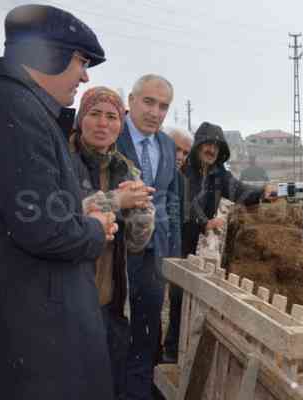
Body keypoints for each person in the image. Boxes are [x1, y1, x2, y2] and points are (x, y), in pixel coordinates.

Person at [0, 4, 118, 400]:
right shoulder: (7, 109)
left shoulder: (3, 106)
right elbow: (47, 232)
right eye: (80, 60)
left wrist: (74, 214)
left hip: (12, 332)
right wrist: (96, 227)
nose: (85, 74)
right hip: (22, 344)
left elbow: (19, 211)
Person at [69, 86, 157, 399]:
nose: (103, 124)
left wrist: (143, 212)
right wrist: (116, 200)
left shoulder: (126, 168)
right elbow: (62, 218)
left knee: (107, 385)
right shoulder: (62, 160)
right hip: (65, 301)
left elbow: (135, 243)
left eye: (111, 117)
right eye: (94, 114)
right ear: (81, 119)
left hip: (110, 299)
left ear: (121, 124)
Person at [162, 122, 274, 362]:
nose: (211, 149)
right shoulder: (183, 169)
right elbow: (183, 202)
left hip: (196, 245)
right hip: (175, 237)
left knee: (191, 297)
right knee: (176, 297)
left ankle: (183, 352)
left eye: (216, 145)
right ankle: (170, 354)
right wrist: (204, 222)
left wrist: (262, 192)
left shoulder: (218, 175)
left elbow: (240, 191)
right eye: (207, 144)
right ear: (198, 145)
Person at [116, 74, 181, 400]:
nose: (156, 112)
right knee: (115, 325)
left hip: (155, 254)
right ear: (131, 100)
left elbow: (171, 199)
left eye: (163, 106)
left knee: (147, 325)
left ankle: (139, 393)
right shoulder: (110, 135)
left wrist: (174, 254)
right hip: (114, 251)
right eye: (149, 102)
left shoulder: (167, 146)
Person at [160, 126, 191, 364]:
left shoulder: (180, 180)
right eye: (176, 149)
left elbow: (179, 219)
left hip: (171, 256)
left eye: (185, 152)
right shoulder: (149, 172)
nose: (180, 156)